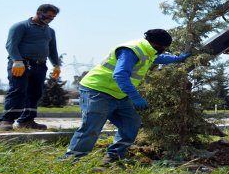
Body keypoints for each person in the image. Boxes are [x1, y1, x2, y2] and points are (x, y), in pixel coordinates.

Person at [62, 29, 189, 165]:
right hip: (97, 90)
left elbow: (157, 58)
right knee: (92, 126)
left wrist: (177, 59)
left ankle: (114, 156)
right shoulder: (131, 50)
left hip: (119, 94)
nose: (164, 51)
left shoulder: (148, 50)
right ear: (158, 45)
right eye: (164, 48)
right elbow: (120, 75)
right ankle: (72, 160)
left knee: (131, 123)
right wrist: (135, 97)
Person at [0, 4, 61, 131]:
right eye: (48, 16)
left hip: (40, 65)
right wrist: (17, 60)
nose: (50, 19)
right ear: (39, 13)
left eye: (53, 17)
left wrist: (56, 65)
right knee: (17, 91)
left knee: (35, 93)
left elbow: (52, 49)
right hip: (21, 64)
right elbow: (11, 45)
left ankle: (27, 120)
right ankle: (7, 120)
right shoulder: (21, 26)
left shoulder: (50, 31)